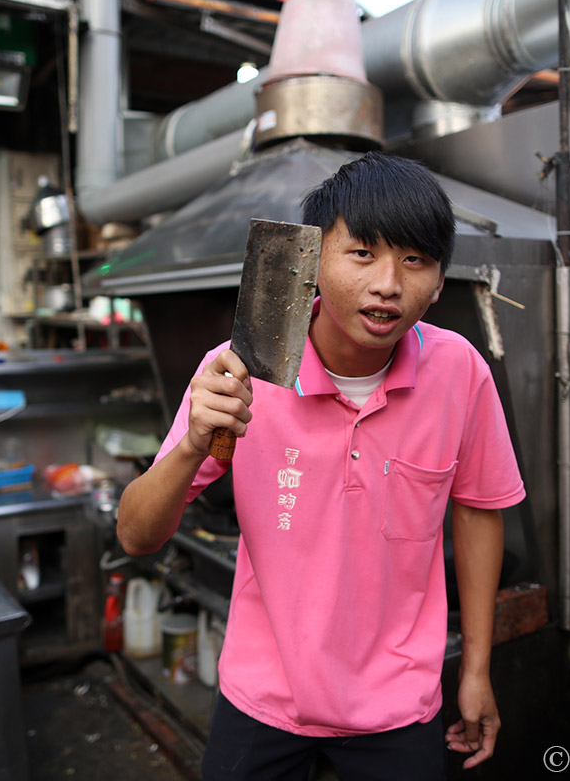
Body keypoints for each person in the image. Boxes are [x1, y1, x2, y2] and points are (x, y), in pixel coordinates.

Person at [116, 152, 526, 780]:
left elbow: (478, 511)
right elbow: (135, 536)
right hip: (263, 695)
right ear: (311, 262)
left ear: (440, 281)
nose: (388, 283)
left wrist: (475, 671)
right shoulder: (239, 368)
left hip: (400, 701)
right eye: (362, 253)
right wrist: (196, 441)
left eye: (414, 260)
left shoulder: (460, 371)